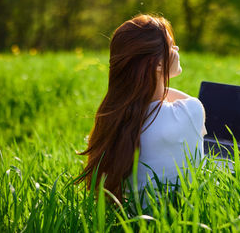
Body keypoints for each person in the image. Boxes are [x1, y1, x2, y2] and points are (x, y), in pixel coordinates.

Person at [77, 14, 206, 201]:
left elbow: (153, 97)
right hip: (179, 217)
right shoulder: (190, 110)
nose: (177, 49)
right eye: (171, 46)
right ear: (159, 64)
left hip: (130, 219)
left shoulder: (115, 118)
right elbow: (189, 102)